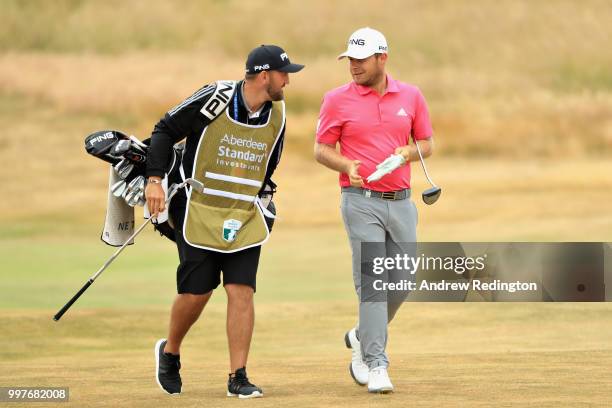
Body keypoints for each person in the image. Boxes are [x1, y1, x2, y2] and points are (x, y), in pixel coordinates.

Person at [145, 45, 303, 398]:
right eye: (283, 73)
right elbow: (164, 130)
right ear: (264, 76)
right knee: (196, 292)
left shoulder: (277, 115)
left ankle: (238, 376)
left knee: (241, 290)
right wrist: (154, 180)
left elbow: (268, 163)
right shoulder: (215, 98)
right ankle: (170, 352)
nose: (287, 81)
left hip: (243, 214)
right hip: (198, 208)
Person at [314, 27, 434, 393]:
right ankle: (376, 363)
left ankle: (361, 335)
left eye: (360, 59)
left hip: (401, 203)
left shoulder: (410, 96)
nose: (353, 66)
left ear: (382, 58)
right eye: (350, 58)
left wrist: (408, 152)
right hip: (359, 202)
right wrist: (346, 166)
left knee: (403, 283)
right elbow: (322, 149)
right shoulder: (336, 100)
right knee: (374, 286)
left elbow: (426, 144)